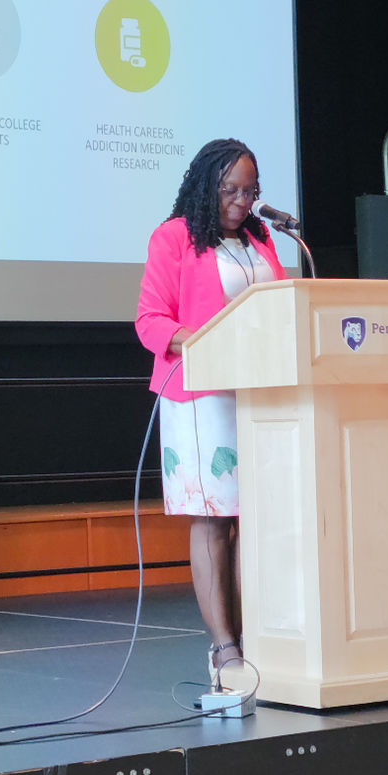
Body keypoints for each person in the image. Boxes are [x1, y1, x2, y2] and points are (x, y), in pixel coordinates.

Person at [135, 138, 287, 690]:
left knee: (256, 519)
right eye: (231, 190)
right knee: (215, 519)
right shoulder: (173, 237)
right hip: (201, 398)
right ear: (206, 186)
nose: (242, 201)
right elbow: (150, 320)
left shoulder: (262, 237)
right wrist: (192, 339)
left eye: (250, 191)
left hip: (261, 395)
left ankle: (259, 638)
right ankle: (223, 648)